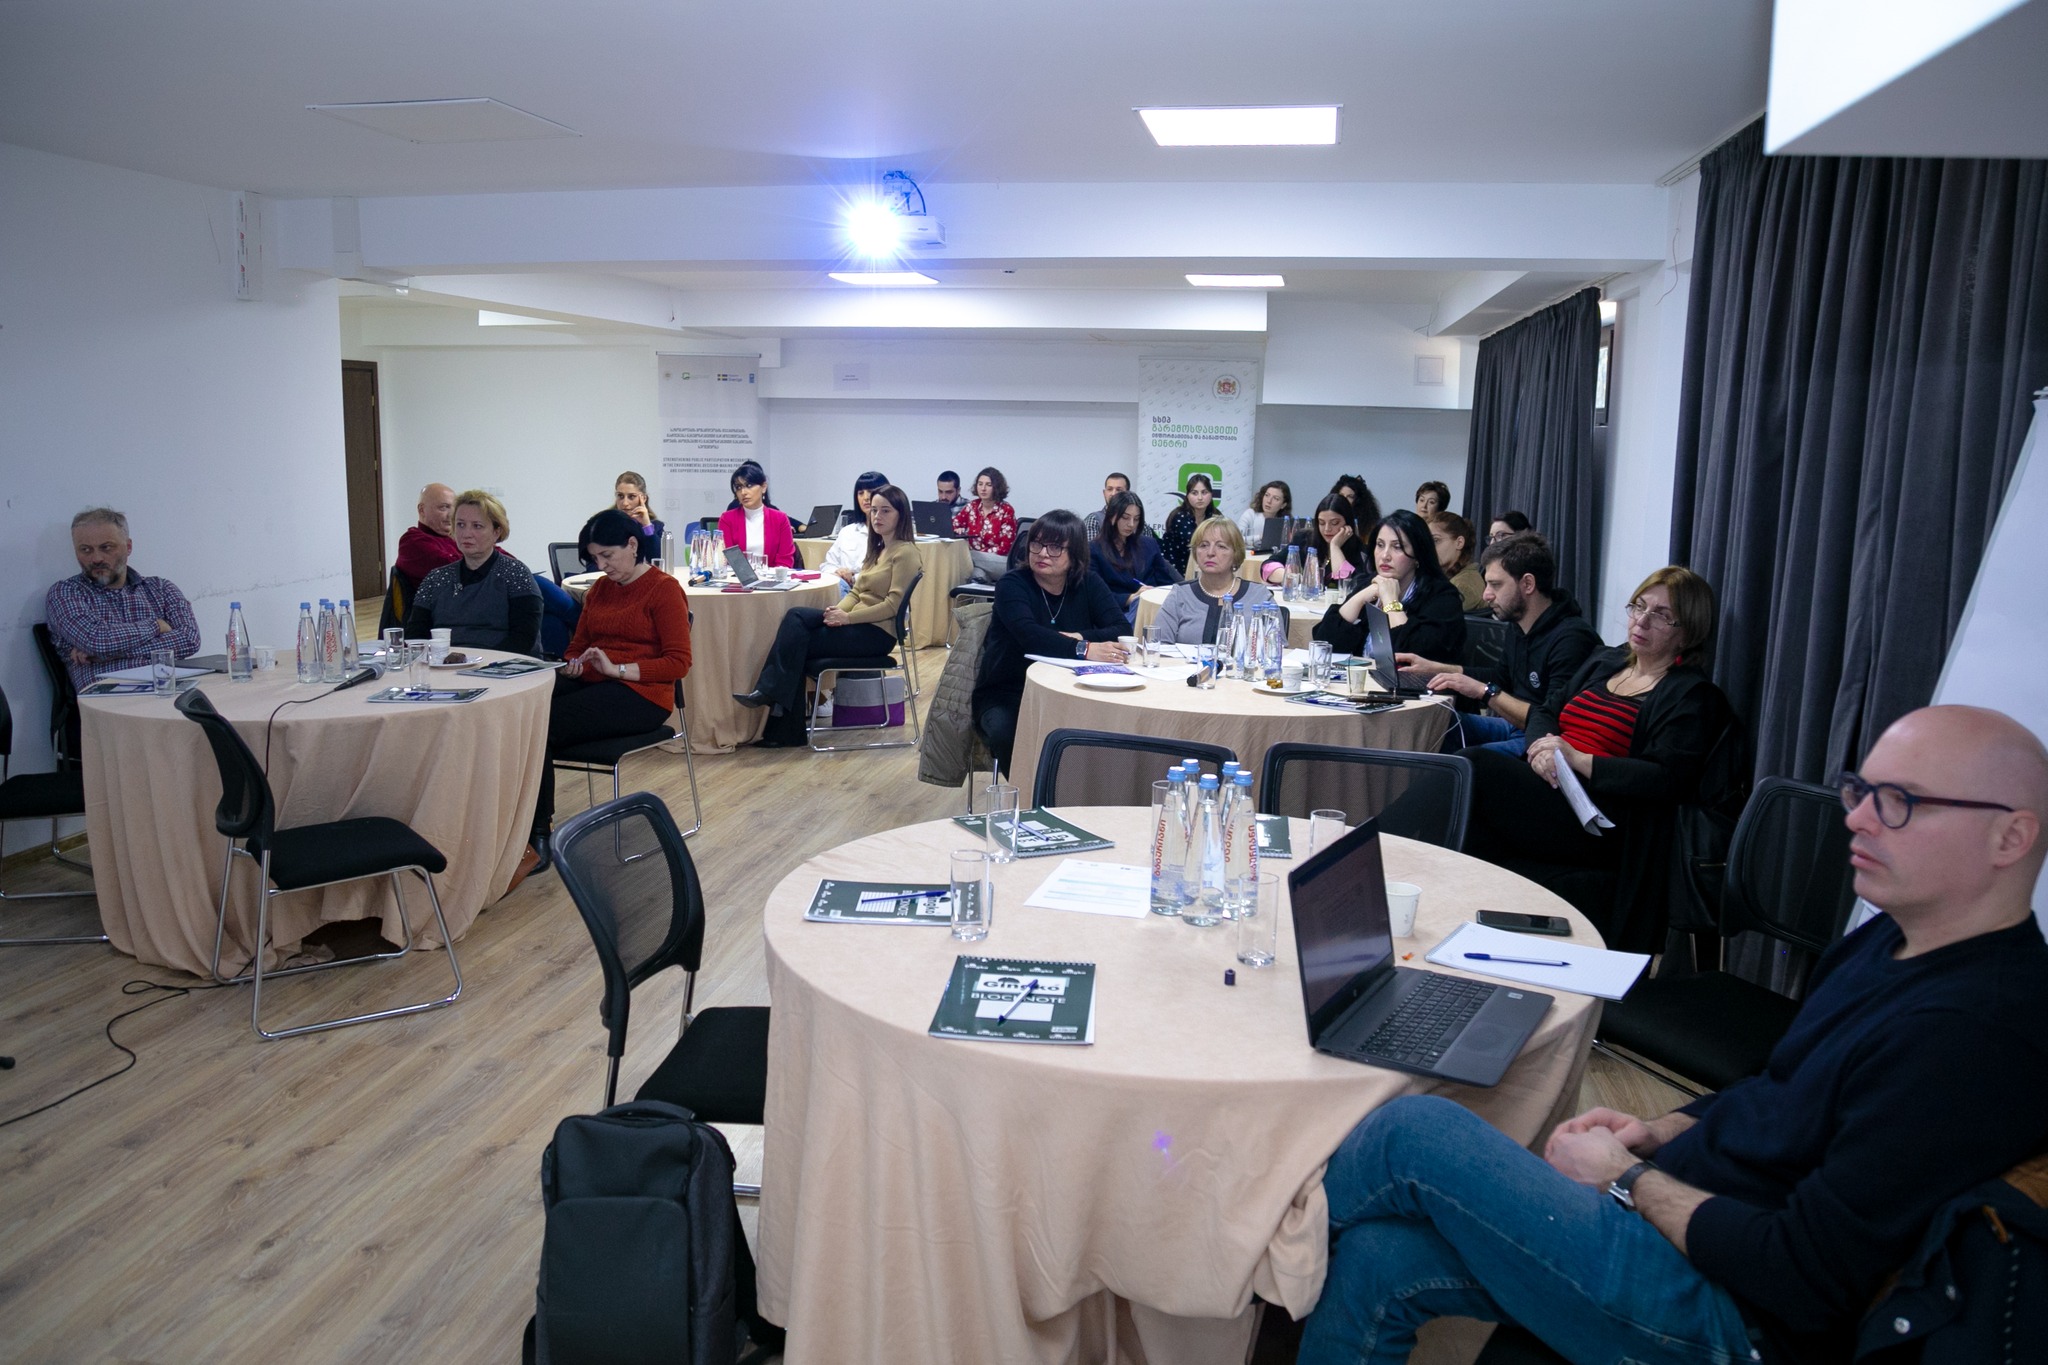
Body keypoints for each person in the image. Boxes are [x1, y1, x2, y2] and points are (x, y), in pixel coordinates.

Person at [1300, 703, 2048, 1365]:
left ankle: (1255, 1248)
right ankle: (1279, 1254)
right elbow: (1780, 1086)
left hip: (1736, 1318)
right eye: (1861, 791)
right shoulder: (1895, 938)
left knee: (1412, 1129)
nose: (1856, 818)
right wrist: (1657, 1130)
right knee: (1380, 1257)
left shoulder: (1974, 1036)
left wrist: (1627, 1178)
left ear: (2010, 836)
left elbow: (1803, 1278)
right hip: (1692, 1221)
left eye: (1900, 802)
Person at [1461, 565, 1729, 951]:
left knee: (1474, 766)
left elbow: (1666, 778)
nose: (1642, 621)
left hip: (1602, 817)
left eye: (1661, 615)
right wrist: (1541, 749)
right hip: (1551, 783)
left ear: (1688, 632)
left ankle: (1390, 863)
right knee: (1468, 808)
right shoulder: (1606, 661)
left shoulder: (1691, 696)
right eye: (1638, 606)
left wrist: (1578, 759)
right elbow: (1545, 711)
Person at [527, 510, 692, 880]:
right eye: (595, 558)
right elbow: (579, 645)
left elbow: (678, 663)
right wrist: (572, 664)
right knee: (526, 705)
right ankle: (516, 824)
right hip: (599, 681)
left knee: (542, 725)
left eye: (607, 555)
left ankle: (538, 833)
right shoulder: (600, 590)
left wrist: (617, 669)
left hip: (643, 696)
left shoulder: (664, 590)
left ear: (632, 545)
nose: (601, 566)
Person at [735, 484, 921, 748]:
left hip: (877, 633)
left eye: (885, 511)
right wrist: (836, 612)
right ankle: (777, 711)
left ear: (901, 515)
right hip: (857, 624)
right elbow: (856, 592)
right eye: (874, 510)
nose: (877, 516)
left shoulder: (906, 553)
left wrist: (847, 619)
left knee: (797, 639)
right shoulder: (878, 548)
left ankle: (775, 707)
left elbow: (892, 606)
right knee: (796, 618)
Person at [1399, 533, 1601, 755]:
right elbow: (1501, 678)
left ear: (1528, 584)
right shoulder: (1520, 624)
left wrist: (1483, 691)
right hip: (1515, 726)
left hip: (1546, 743)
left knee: (1471, 759)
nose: (1487, 595)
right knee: (1435, 723)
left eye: (1495, 585)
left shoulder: (1571, 639)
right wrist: (1438, 668)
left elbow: (1550, 719)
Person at [973, 510, 1128, 774]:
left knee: (1108, 730)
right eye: (1036, 544)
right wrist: (1084, 648)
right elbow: (1030, 635)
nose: (1043, 553)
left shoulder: (1087, 582)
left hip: (1076, 690)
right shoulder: (1012, 584)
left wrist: (1080, 636)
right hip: (1010, 692)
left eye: (1055, 547)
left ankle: (1076, 792)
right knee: (1007, 732)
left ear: (1075, 554)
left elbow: (1121, 629)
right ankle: (1026, 792)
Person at [45, 506, 201, 690]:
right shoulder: (66, 593)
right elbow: (98, 641)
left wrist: (110, 654)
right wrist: (157, 626)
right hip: (108, 698)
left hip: (166, 690)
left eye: (106, 547)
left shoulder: (161, 588)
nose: (96, 558)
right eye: (86, 550)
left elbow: (190, 639)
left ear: (128, 547)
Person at [1311, 509, 1466, 661]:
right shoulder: (1369, 584)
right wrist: (1360, 598)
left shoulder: (1442, 597)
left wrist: (1391, 602)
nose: (1385, 556)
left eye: (1397, 547)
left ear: (1418, 555)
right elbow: (1324, 643)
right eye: (1380, 545)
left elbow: (1412, 655)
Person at [402, 490, 543, 654]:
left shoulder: (515, 574)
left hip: (504, 664)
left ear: (496, 531)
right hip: (444, 663)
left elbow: (523, 639)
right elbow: (415, 636)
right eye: (460, 525)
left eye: (477, 526)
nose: (466, 534)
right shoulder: (435, 579)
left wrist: (482, 663)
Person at [1149, 517, 1273, 645]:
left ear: (1236, 554)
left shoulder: (1260, 596)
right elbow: (1158, 646)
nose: (1210, 553)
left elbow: (1277, 648)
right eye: (1203, 545)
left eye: (1221, 546)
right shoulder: (1180, 594)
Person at [1089, 491, 1176, 621]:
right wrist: (1132, 597)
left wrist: (1153, 594)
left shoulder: (1149, 544)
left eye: (1136, 519)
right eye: (1125, 517)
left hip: (1151, 612)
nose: (1131, 524)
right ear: (1112, 516)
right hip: (1115, 614)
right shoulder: (1094, 549)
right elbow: (1095, 595)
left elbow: (1166, 585)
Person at [1263, 493, 1373, 589]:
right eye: (1321, 523)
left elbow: (1347, 585)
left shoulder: (1361, 552)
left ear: (1348, 523)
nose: (1327, 529)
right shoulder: (1304, 539)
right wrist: (1294, 578)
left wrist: (1335, 546)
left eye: (1334, 523)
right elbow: (1267, 566)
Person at [717, 460, 796, 569]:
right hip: (738, 577)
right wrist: (750, 577)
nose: (743, 492)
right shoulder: (727, 519)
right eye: (739, 487)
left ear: (763, 487)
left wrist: (769, 577)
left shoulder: (780, 519)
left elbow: (785, 561)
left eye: (749, 485)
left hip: (773, 578)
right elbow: (729, 559)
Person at [821, 471, 891, 589]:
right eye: (860, 493)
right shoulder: (847, 532)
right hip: (843, 587)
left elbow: (885, 573)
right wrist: (838, 571)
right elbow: (827, 565)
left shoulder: (891, 533)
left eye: (870, 492)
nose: (866, 497)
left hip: (873, 592)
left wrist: (853, 577)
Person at [951, 466, 1018, 569]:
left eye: (988, 485)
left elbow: (1005, 548)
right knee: (975, 574)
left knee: (966, 556)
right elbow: (952, 525)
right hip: (977, 563)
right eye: (980, 484)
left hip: (1000, 561)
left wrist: (979, 553)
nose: (983, 488)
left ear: (997, 487)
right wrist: (957, 530)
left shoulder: (1006, 510)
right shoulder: (972, 506)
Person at [1157, 473, 1221, 578]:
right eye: (1194, 493)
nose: (1200, 498)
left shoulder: (1216, 516)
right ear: (1187, 496)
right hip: (1175, 569)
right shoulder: (1179, 516)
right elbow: (1195, 544)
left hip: (1204, 569)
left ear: (1211, 494)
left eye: (1204, 492)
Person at [395, 482, 461, 583]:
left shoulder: (452, 537)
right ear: (422, 510)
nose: (452, 515)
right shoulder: (412, 541)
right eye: (444, 507)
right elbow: (453, 568)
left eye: (454, 508)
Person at [1428, 510, 1485, 611]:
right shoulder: (1450, 579)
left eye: (1436, 540)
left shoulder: (1463, 586)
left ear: (1459, 543)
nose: (1429, 548)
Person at [612, 470, 667, 565]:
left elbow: (659, 562)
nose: (625, 503)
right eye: (620, 496)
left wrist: (647, 526)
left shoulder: (657, 527)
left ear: (643, 498)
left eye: (631, 497)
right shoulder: (603, 525)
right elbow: (593, 566)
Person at [1235, 479, 1292, 544]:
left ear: (1283, 505)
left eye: (1276, 498)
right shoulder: (1250, 514)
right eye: (1267, 495)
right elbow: (1236, 540)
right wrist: (1260, 537)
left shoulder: (1285, 522)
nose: (1269, 501)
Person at [1081, 471, 1131, 542]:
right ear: (1104, 493)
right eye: (1110, 489)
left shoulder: (1136, 522)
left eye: (1118, 490)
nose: (1113, 494)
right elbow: (1091, 548)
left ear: (1128, 494)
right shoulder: (1094, 520)